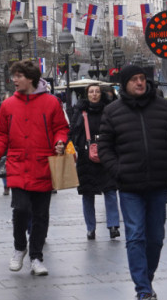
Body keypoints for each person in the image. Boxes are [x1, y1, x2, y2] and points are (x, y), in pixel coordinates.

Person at [0, 60, 68, 276]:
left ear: (30, 78)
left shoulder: (51, 102)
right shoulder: (8, 105)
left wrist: (60, 141)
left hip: (43, 164)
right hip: (18, 164)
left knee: (41, 215)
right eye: (14, 76)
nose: (15, 80)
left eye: (19, 76)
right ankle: (20, 247)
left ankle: (36, 257)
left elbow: (61, 127)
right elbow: (1, 135)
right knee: (20, 209)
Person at [98, 65, 167, 300]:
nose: (140, 83)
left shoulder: (164, 108)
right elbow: (105, 147)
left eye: (142, 78)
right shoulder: (112, 111)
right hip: (130, 186)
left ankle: (146, 279)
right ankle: (143, 290)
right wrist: (118, 170)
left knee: (156, 238)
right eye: (134, 79)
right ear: (125, 84)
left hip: (158, 184)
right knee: (135, 236)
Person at [69, 84, 120, 241]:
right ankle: (90, 228)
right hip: (86, 158)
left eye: (97, 91)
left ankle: (113, 226)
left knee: (110, 191)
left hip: (106, 155)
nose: (94, 94)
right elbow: (74, 131)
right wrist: (80, 146)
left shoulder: (109, 109)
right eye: (91, 92)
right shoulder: (81, 111)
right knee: (87, 193)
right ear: (87, 94)